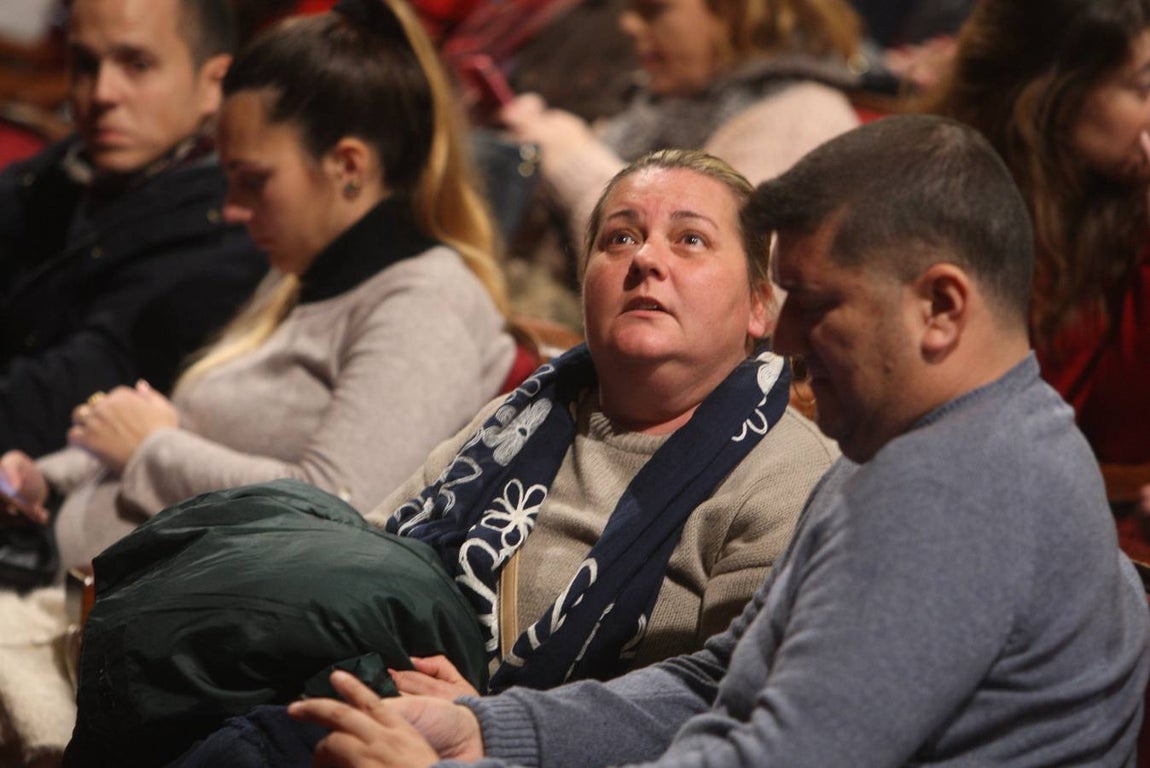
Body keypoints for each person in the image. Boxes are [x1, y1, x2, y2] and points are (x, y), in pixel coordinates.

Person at [289, 115, 1150, 767]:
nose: (788, 344)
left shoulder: (959, 494)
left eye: (817, 306)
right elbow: (716, 684)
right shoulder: (918, 450)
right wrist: (488, 728)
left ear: (941, 308)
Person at [86, 148, 839, 766]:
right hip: (380, 692)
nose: (645, 260)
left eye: (690, 240)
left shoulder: (786, 478)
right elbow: (375, 550)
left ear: (759, 307)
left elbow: (735, 716)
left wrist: (494, 721)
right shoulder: (528, 416)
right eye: (619, 237)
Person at [0, 0, 517, 577]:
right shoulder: (305, 272)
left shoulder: (426, 304)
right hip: (65, 576)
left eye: (254, 180)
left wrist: (152, 448)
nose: (232, 209)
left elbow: (339, 509)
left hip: (163, 638)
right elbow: (192, 428)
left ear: (348, 165)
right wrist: (46, 476)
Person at [0, 0, 266, 459]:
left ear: (213, 85)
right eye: (85, 63)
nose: (101, 92)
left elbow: (68, 397)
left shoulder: (236, 227)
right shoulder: (65, 171)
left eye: (137, 65)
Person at [922, 0, 1150, 528]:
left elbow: (1123, 440)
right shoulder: (942, 213)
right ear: (1055, 92)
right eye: (1141, 88)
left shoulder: (1115, 205)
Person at [496, 0, 862, 321]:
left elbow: (740, 295)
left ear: (733, 12)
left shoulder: (800, 116)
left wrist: (573, 162)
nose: (629, 24)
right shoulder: (671, 103)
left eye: (653, 9)